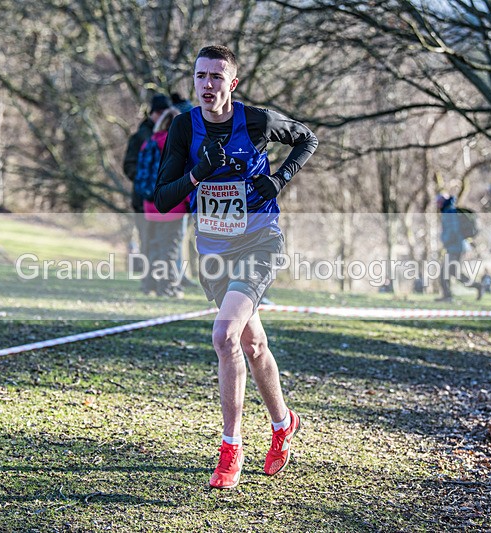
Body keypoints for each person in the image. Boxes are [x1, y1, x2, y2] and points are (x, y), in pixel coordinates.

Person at [154, 45, 318, 489]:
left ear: (233, 83)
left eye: (216, 77)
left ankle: (231, 449)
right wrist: (195, 175)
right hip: (212, 252)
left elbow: (307, 138)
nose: (207, 85)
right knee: (254, 344)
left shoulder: (258, 121)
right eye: (200, 76)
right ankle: (283, 424)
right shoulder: (185, 128)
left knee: (225, 335)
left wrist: (278, 179)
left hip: (260, 241)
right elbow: (162, 196)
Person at [123, 94, 171, 293]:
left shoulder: (171, 134)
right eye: (159, 112)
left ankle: (159, 284)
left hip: (163, 200)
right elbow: (128, 165)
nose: (161, 116)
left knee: (163, 245)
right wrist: (147, 181)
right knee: (147, 242)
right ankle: (147, 283)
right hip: (143, 199)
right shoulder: (140, 137)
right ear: (152, 113)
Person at [139, 107, 188, 297]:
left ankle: (148, 285)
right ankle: (167, 288)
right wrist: (189, 201)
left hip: (150, 204)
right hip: (173, 206)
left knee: (153, 246)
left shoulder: (149, 143)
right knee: (170, 248)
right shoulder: (177, 145)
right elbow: (184, 176)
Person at [436, 193, 483, 301]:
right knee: (453, 272)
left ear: (442, 202)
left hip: (455, 247)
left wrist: (445, 241)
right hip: (455, 246)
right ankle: (477, 286)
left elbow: (453, 230)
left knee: (444, 272)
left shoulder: (449, 212)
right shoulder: (448, 211)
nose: (437, 204)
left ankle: (448, 296)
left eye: (438, 201)